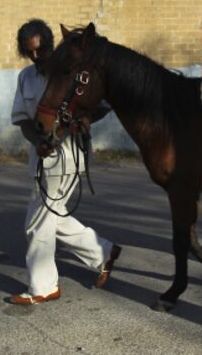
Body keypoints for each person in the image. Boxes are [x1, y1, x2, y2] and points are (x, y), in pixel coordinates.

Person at [8, 18, 121, 305]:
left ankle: (42, 287)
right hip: (39, 156)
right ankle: (102, 252)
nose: (37, 56)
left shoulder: (72, 69)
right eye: (29, 51)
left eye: (41, 48)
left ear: (50, 44)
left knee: (37, 222)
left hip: (69, 155)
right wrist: (38, 142)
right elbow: (22, 120)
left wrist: (84, 118)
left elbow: (103, 105)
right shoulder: (26, 78)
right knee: (50, 216)